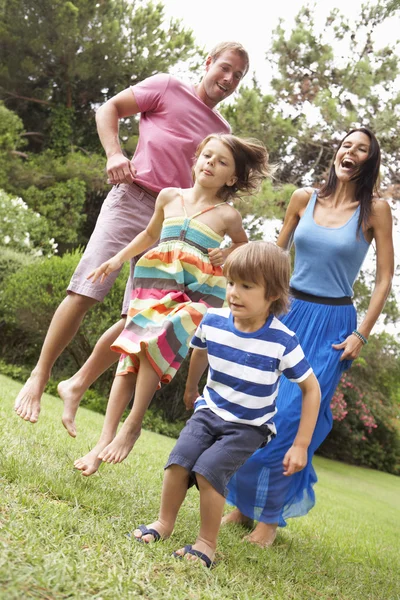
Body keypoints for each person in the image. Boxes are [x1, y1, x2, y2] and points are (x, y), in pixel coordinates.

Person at [13, 41, 250, 432]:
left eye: (237, 76)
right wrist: (113, 154)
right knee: (87, 286)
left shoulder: (223, 132)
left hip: (175, 224)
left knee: (140, 320)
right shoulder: (166, 87)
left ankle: (77, 384)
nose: (228, 79)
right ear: (207, 63)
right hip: (132, 198)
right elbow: (108, 108)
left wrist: (224, 245)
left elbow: (221, 193)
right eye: (225, 68)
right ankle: (39, 376)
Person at [223, 127, 395, 547]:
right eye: (346, 145)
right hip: (287, 312)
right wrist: (240, 274)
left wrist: (362, 333)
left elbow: (385, 278)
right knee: (258, 408)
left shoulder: (376, 210)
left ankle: (268, 519)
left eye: (361, 149)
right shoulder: (304, 198)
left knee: (296, 417)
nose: (350, 152)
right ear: (336, 154)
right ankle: (243, 507)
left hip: (334, 325)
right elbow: (275, 257)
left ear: (369, 162)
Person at [73, 134, 271, 476]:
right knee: (130, 355)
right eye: (207, 155)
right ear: (196, 161)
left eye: (221, 162)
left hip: (196, 294)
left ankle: (132, 426)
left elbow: (242, 246)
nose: (210, 163)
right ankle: (101, 443)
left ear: (232, 178)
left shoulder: (227, 215)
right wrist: (117, 259)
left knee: (161, 335)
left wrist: (227, 253)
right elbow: (149, 235)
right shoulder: (169, 197)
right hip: (154, 284)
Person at [130, 242, 321, 568]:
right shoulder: (214, 321)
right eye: (231, 282)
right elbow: (200, 351)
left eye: (247, 286)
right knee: (179, 461)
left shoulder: (282, 340)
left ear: (272, 294)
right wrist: (192, 388)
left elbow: (311, 389)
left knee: (209, 470)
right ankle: (164, 523)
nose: (234, 292)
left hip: (250, 425)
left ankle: (206, 544)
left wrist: (301, 444)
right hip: (210, 410)